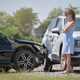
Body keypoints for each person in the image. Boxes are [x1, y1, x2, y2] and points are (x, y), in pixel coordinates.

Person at [62, 8, 76, 73]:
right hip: (65, 40)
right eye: (66, 15)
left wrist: (64, 29)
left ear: (71, 15)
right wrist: (64, 29)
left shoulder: (72, 22)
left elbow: (64, 30)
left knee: (68, 55)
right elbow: (64, 30)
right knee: (64, 54)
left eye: (67, 14)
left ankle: (67, 69)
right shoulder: (67, 22)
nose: (66, 16)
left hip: (69, 40)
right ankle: (70, 68)